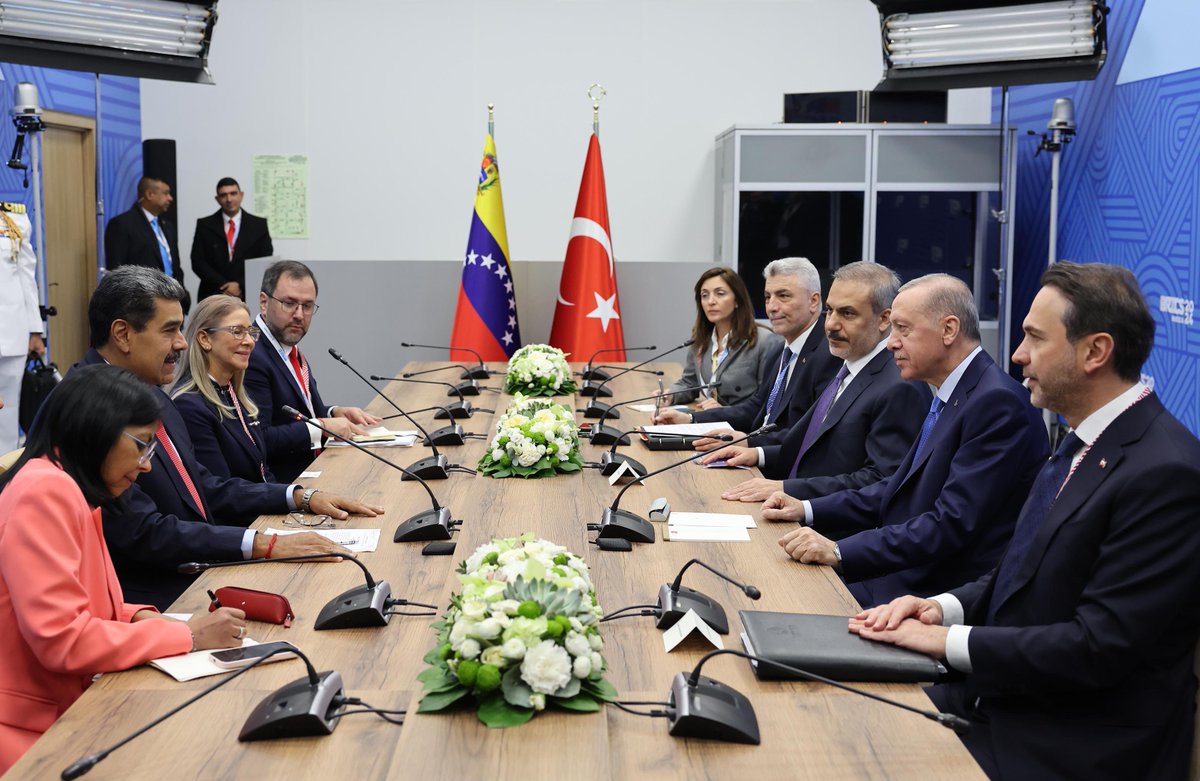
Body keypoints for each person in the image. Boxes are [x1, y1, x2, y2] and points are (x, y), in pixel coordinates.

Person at [850, 263, 1200, 781]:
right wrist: (940, 609)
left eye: (1035, 338)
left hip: (1073, 743)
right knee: (833, 711)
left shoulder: (1166, 471)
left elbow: (1097, 648)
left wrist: (949, 642)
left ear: (1095, 352)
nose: (1017, 355)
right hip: (1007, 699)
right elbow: (1021, 569)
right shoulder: (1080, 440)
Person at [76, 267, 381, 609]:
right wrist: (263, 544)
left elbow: (204, 484)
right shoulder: (87, 408)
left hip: (201, 567)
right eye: (170, 330)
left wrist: (299, 496)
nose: (181, 342)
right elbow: (145, 532)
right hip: (156, 597)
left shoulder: (151, 395)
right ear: (122, 334)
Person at [0, 364, 246, 774]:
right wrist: (184, 634)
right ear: (96, 430)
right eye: (142, 445)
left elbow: (84, 603)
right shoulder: (46, 490)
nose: (147, 464)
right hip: (32, 733)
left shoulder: (68, 483)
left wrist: (139, 615)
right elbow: (62, 638)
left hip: (71, 710)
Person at [767, 274, 1048, 607]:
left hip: (928, 596)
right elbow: (899, 490)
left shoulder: (996, 403)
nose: (890, 342)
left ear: (949, 329)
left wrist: (839, 550)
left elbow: (949, 524)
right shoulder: (955, 392)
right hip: (896, 574)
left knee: (780, 601)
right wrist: (807, 508)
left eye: (903, 329)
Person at [700, 262, 929, 511]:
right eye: (830, 311)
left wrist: (787, 490)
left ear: (884, 319)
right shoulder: (847, 366)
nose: (830, 324)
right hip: (790, 500)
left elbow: (878, 481)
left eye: (847, 313)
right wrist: (757, 454)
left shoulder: (898, 386)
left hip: (826, 525)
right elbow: (813, 446)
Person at [653, 257, 840, 448]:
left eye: (783, 296)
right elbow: (755, 408)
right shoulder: (781, 351)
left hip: (778, 466)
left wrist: (748, 444)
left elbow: (806, 434)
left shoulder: (829, 354)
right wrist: (690, 419)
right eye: (768, 297)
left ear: (814, 301)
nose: (772, 307)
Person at [245, 260, 382, 483]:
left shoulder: (287, 349)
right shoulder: (252, 354)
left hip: (314, 473)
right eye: (289, 303)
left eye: (307, 306)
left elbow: (298, 415)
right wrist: (324, 426)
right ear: (263, 302)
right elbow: (261, 438)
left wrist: (333, 413)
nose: (299, 314)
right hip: (283, 486)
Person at [171, 295, 272, 482]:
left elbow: (262, 472)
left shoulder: (233, 393)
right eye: (237, 331)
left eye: (250, 332)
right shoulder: (189, 405)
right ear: (204, 339)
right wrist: (291, 496)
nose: (250, 341)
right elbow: (220, 489)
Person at [662, 266, 781, 408]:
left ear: (737, 300)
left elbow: (767, 402)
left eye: (720, 293)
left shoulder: (765, 341)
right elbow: (690, 383)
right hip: (709, 422)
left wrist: (724, 411)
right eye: (704, 295)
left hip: (742, 427)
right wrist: (670, 395)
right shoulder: (700, 340)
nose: (711, 301)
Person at [103, 176, 189, 313]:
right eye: (166, 193)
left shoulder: (167, 226)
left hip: (172, 302)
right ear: (150, 194)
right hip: (141, 307)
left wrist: (183, 295)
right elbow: (117, 270)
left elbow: (175, 265)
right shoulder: (122, 224)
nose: (170, 198)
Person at [0, 200, 44, 452]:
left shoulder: (13, 218)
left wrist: (35, 331)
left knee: (8, 414)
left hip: (12, 330)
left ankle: (4, 476)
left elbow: (27, 277)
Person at [191, 177, 274, 301]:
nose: (229, 199)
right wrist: (224, 286)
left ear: (241, 195)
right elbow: (197, 261)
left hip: (247, 294)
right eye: (223, 195)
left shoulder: (259, 225)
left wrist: (240, 285)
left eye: (233, 193)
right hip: (213, 294)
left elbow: (265, 260)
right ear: (217, 199)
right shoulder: (205, 225)